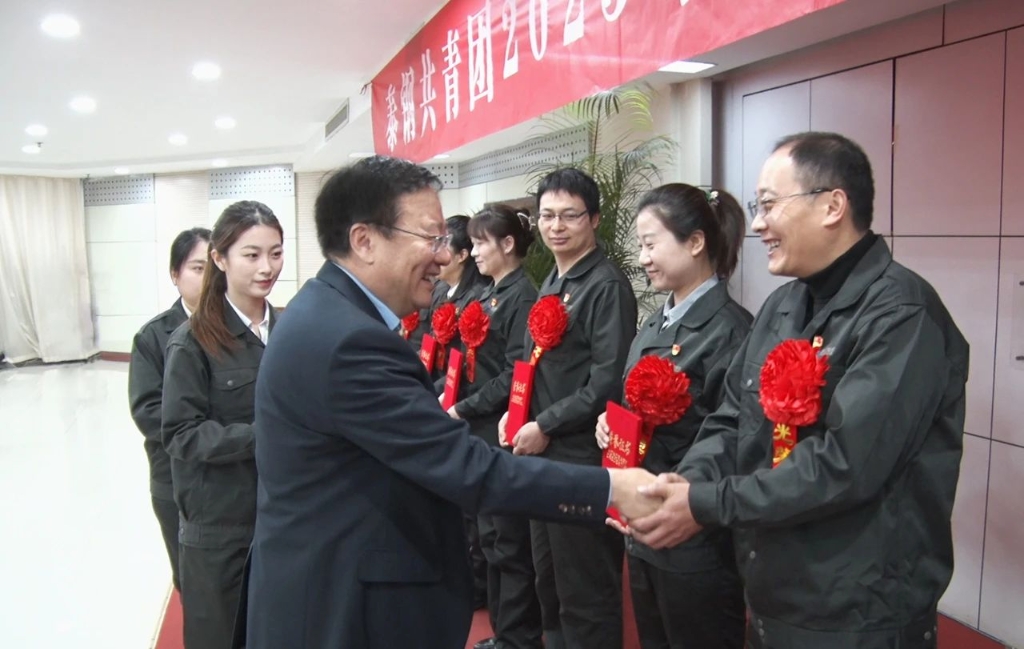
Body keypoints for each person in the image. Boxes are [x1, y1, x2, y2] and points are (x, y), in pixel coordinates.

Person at [240, 156, 657, 649]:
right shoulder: (348, 340)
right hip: (344, 608)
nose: (444, 256)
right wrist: (610, 488)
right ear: (364, 240)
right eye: (430, 237)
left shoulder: (323, 312)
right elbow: (468, 469)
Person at [627, 132, 969, 649]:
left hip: (856, 611)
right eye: (756, 208)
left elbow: (846, 464)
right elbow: (732, 418)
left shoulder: (902, 314)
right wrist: (688, 481)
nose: (757, 224)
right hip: (774, 591)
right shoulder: (782, 307)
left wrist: (707, 503)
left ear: (832, 206)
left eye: (769, 205)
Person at [595, 184, 750, 649]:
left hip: (694, 533)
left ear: (696, 242)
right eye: (640, 245)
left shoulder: (731, 330)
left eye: (651, 244)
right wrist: (611, 424)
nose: (643, 258)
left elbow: (735, 434)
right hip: (643, 522)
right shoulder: (654, 323)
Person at [499, 168, 638, 649]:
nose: (556, 226)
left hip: (579, 459)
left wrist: (544, 423)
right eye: (547, 215)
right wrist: (517, 413)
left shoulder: (605, 285)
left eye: (569, 216)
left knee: (585, 589)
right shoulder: (553, 281)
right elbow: (533, 364)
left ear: (594, 219)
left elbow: (607, 380)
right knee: (550, 583)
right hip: (542, 455)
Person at [161, 201, 284, 649]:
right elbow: (181, 434)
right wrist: (266, 438)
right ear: (220, 258)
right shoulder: (193, 342)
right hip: (221, 530)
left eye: (276, 253)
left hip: (284, 519)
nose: (267, 267)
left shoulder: (289, 329)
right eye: (252, 255)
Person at [447, 205, 543, 649]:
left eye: (481, 243)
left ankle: (518, 636)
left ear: (508, 244)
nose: (474, 252)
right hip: (480, 429)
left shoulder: (521, 295)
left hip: (500, 429)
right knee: (490, 537)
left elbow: (513, 374)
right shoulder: (490, 293)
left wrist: (465, 407)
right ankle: (504, 632)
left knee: (508, 541)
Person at [128, 226, 210, 592]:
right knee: (192, 579)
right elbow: (149, 412)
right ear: (175, 274)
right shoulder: (154, 336)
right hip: (176, 478)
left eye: (215, 268)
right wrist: (213, 433)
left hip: (234, 479)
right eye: (197, 268)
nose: (208, 278)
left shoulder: (241, 328)